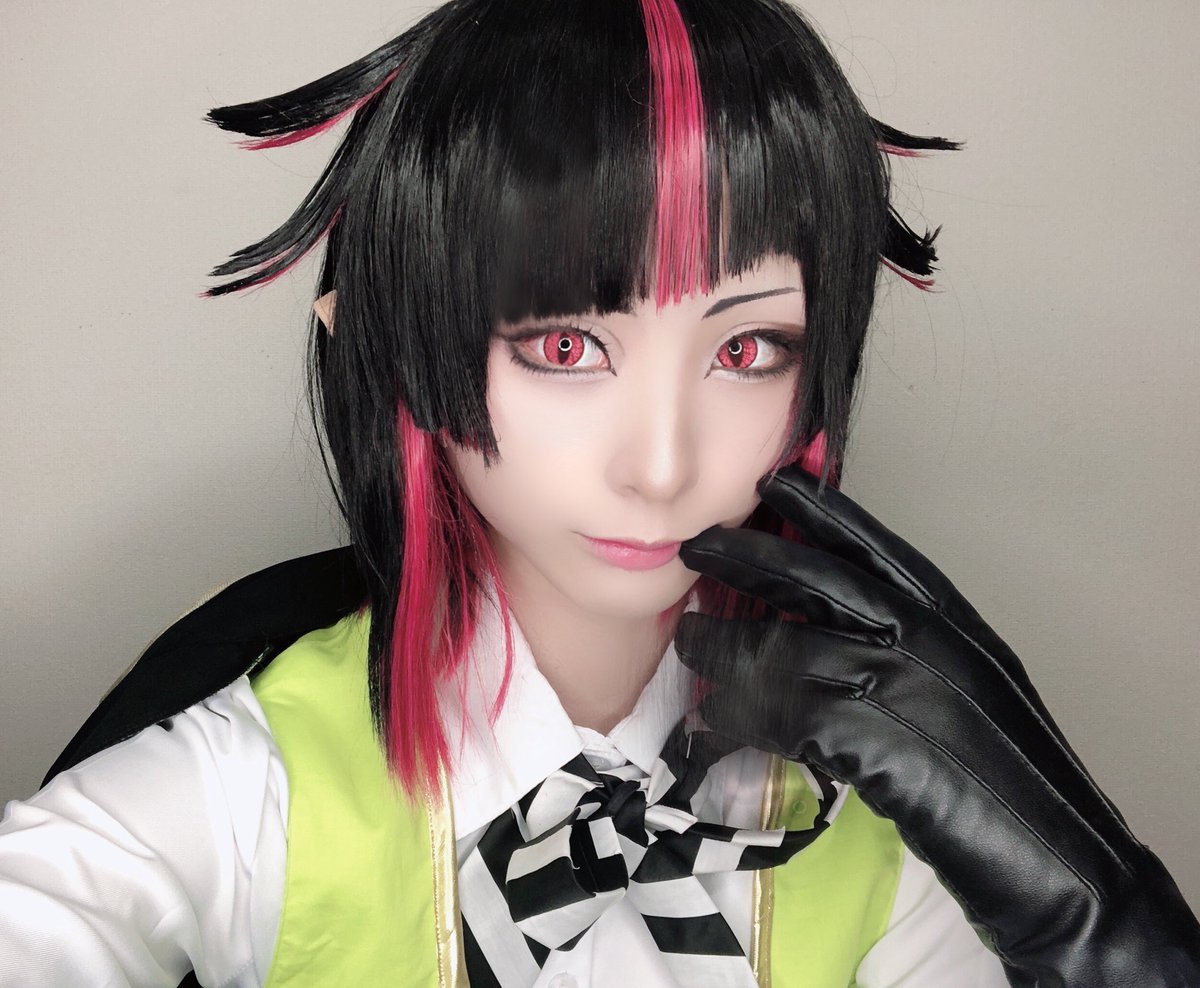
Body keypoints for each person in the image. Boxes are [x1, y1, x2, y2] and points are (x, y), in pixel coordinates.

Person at [1, 1, 1197, 986]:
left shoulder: (879, 831)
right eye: (566, 346)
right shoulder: (246, 787)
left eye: (747, 350)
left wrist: (1107, 929)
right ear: (388, 341)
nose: (662, 465)